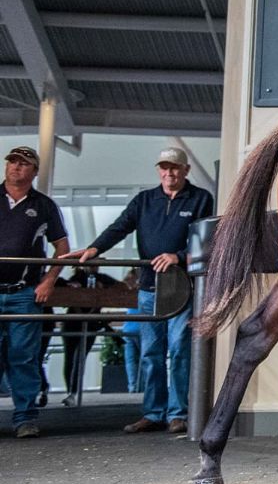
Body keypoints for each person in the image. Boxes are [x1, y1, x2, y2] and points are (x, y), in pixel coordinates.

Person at [67, 147, 213, 434]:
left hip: (182, 287)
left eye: (175, 167)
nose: (169, 173)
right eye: (164, 167)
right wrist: (94, 248)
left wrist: (178, 256)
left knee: (180, 350)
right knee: (150, 353)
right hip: (148, 287)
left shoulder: (200, 199)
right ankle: (153, 413)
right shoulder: (144, 200)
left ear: (186, 170)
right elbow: (119, 227)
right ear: (158, 170)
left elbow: (206, 239)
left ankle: (178, 414)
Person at [1, 146, 69, 439]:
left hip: (24, 292)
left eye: (23, 163)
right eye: (12, 162)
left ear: (34, 171)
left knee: (23, 356)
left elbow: (62, 247)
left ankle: (25, 418)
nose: (16, 167)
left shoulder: (44, 206)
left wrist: (49, 280)